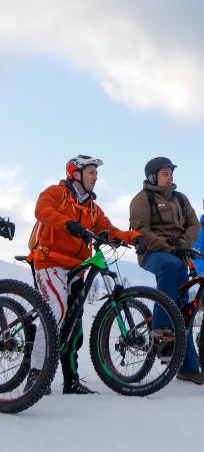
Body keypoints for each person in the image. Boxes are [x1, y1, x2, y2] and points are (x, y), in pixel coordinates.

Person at [27, 156, 142, 394]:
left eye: (96, 174)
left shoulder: (92, 207)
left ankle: (71, 380)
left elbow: (107, 229)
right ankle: (36, 374)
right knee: (55, 313)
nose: (95, 177)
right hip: (49, 260)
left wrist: (132, 237)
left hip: (76, 267)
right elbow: (42, 210)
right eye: (91, 172)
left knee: (74, 325)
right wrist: (67, 223)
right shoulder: (57, 192)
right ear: (75, 173)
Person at [129, 157, 204, 384]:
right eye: (165, 172)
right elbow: (140, 230)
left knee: (184, 310)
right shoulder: (142, 199)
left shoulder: (181, 199)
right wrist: (167, 245)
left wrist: (183, 242)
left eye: (171, 172)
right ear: (153, 176)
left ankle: (189, 367)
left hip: (178, 253)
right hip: (153, 253)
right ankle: (161, 326)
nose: (170, 176)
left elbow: (194, 224)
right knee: (170, 267)